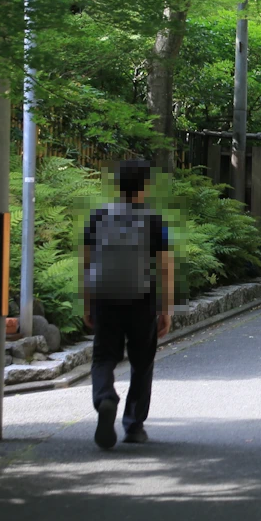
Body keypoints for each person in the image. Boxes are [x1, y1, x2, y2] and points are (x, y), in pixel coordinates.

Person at [82, 159, 173, 450]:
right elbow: (166, 268)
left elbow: (86, 264)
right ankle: (134, 425)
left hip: (105, 297)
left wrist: (87, 304)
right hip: (141, 299)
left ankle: (105, 397)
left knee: (103, 358)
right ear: (144, 186)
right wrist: (166, 309)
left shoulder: (97, 217)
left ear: (117, 185)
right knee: (142, 362)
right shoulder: (153, 220)